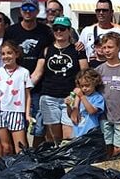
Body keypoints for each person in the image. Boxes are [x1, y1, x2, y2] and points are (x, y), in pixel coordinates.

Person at [4, 0, 54, 148]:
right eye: (25, 8)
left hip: (38, 87)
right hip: (15, 87)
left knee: (38, 129)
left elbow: (47, 55)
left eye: (31, 8)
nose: (27, 11)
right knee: (17, 127)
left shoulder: (45, 31)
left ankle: (35, 156)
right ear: (20, 10)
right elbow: (7, 55)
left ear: (37, 11)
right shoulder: (11, 31)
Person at [31, 16, 89, 145]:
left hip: (69, 97)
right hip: (49, 96)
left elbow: (84, 75)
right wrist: (22, 89)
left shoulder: (77, 50)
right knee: (53, 137)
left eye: (62, 29)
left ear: (69, 30)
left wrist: (77, 93)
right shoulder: (46, 50)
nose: (59, 32)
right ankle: (56, 162)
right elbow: (37, 73)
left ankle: (68, 163)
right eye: (56, 29)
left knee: (69, 135)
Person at [0, 40, 33, 155]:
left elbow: (28, 95)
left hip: (16, 111)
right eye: (3, 53)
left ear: (16, 54)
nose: (6, 56)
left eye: (9, 53)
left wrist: (27, 114)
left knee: (20, 147)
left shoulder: (24, 72)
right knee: (6, 147)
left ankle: (22, 170)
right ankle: (8, 170)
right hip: (0, 110)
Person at [78, 0, 120, 65]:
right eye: (98, 10)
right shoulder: (86, 31)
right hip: (92, 71)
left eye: (104, 10)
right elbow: (81, 53)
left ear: (111, 12)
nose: (101, 13)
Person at [66, 68, 105, 139]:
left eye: (87, 85)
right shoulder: (77, 98)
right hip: (77, 132)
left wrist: (82, 96)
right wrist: (68, 106)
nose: (84, 88)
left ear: (94, 83)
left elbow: (92, 111)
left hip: (90, 133)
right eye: (82, 86)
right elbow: (72, 116)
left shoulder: (98, 97)